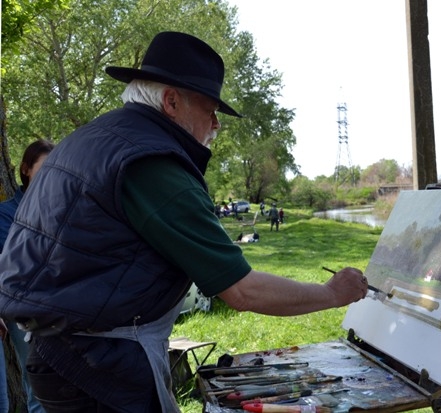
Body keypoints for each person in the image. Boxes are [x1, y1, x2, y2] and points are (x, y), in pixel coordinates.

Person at [0, 31, 367, 413]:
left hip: (60, 351)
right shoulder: (151, 163)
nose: (216, 125)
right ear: (172, 101)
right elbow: (241, 291)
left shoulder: (91, 138)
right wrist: (332, 294)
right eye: (210, 110)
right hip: (99, 363)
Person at [0, 139, 54, 413]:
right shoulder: (6, 213)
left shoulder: (59, 209)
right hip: (23, 309)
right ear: (25, 170)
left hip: (59, 305)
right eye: (43, 169)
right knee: (38, 385)